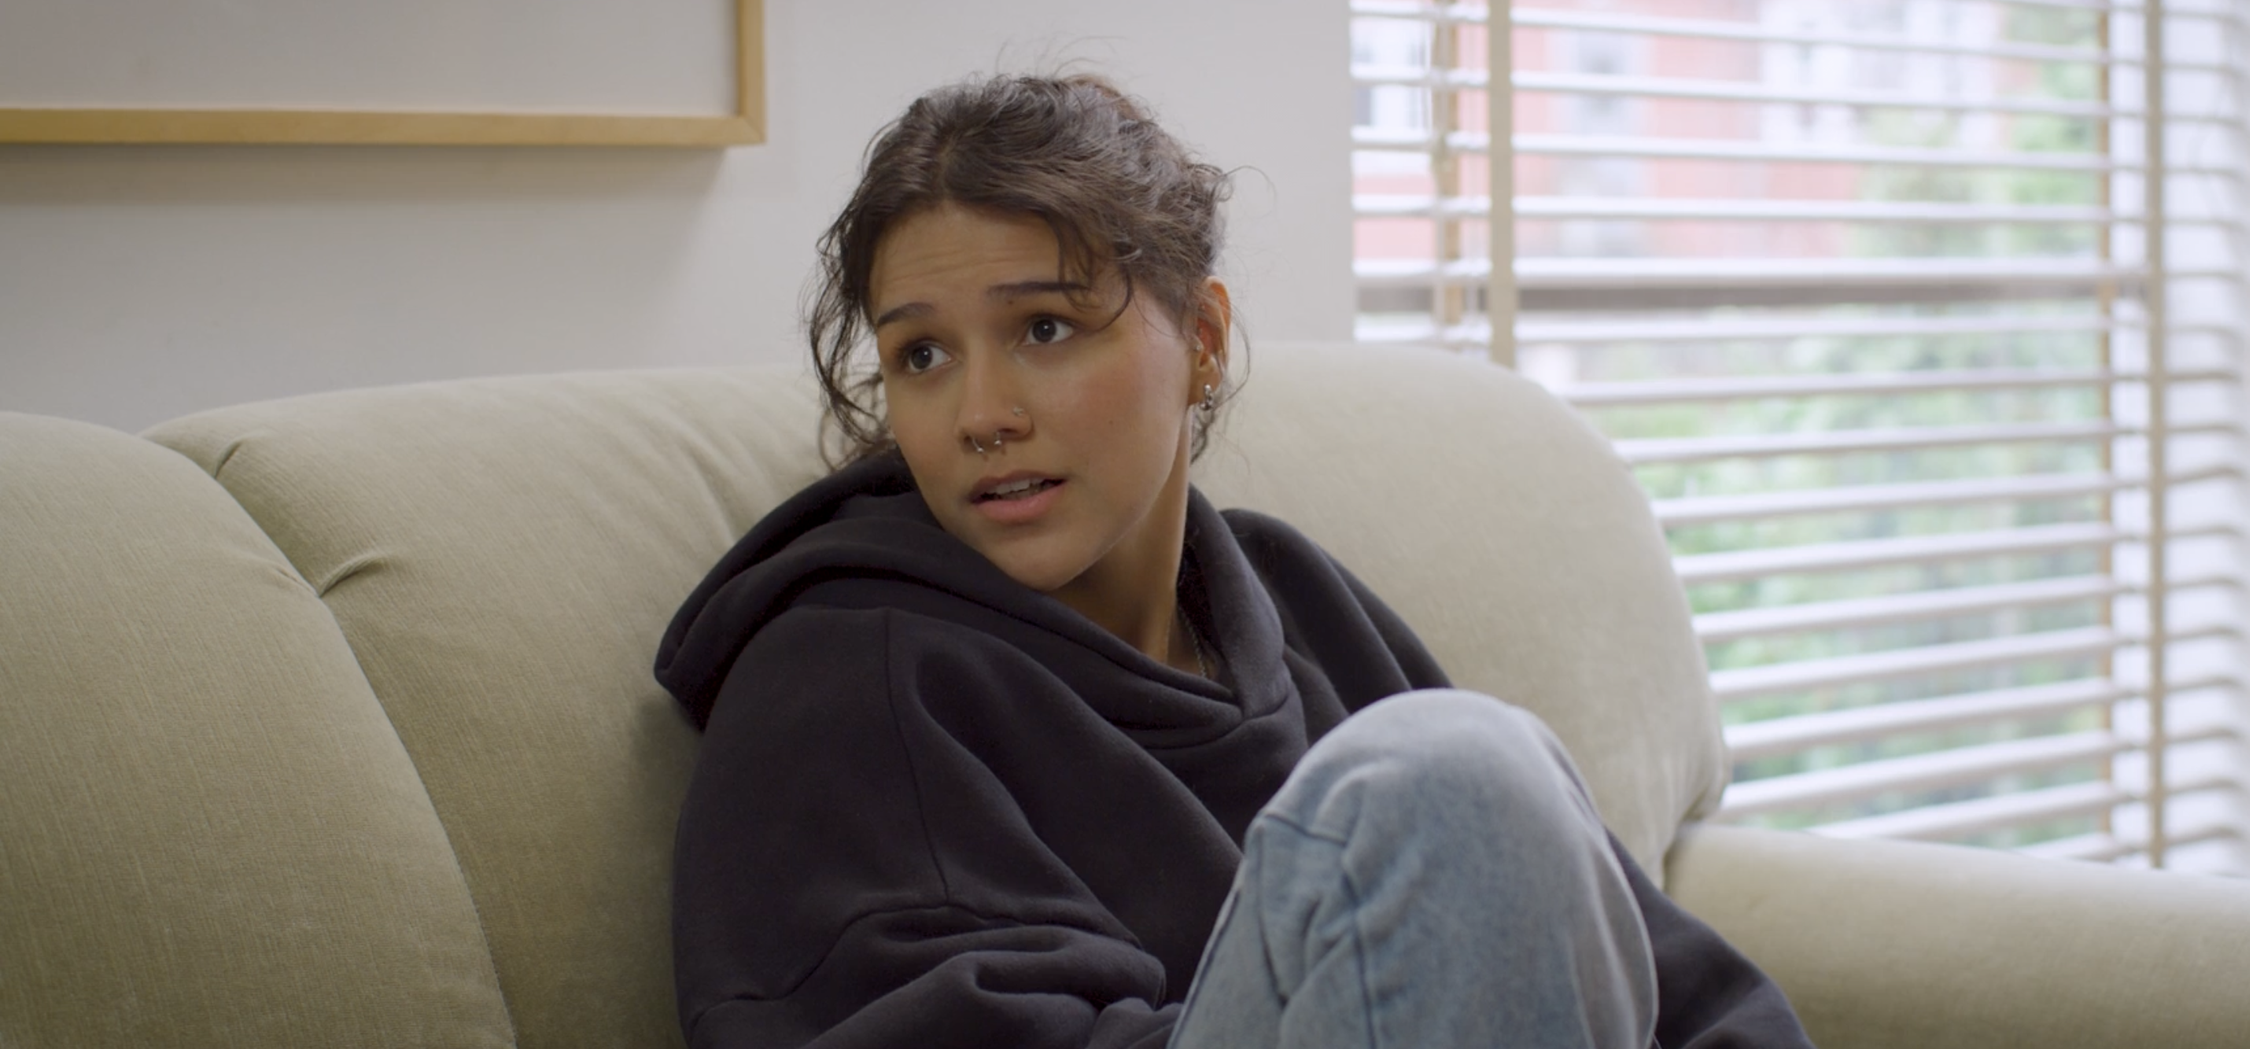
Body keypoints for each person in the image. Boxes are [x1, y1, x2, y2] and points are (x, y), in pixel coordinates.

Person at [655, 73, 1814, 1049]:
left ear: (1200, 340)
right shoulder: (842, 677)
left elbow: (1673, 983)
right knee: (1457, 773)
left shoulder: (1291, 598)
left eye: (1043, 328)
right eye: (921, 355)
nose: (979, 413)